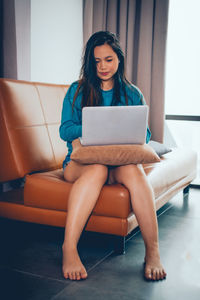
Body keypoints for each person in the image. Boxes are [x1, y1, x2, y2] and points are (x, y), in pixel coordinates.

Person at [59, 31, 166, 281]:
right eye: (96, 61)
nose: (103, 66)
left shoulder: (132, 93)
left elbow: (146, 135)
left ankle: (153, 251)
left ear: (119, 59)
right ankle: (69, 248)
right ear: (90, 62)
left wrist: (120, 129)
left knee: (134, 170)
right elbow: (65, 129)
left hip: (117, 164)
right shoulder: (77, 90)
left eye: (108, 59)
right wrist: (94, 126)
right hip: (82, 164)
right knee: (97, 168)